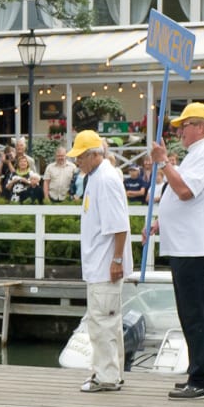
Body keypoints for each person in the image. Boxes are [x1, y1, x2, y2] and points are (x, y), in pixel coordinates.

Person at [148, 102, 204, 400]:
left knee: (195, 313)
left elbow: (185, 191)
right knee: (193, 311)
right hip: (189, 243)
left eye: (183, 126)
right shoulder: (201, 153)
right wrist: (162, 220)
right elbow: (186, 194)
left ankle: (203, 379)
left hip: (194, 245)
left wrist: (163, 163)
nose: (179, 132)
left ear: (199, 126)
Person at [72, 131, 131, 392]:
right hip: (100, 263)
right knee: (108, 322)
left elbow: (119, 225)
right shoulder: (97, 177)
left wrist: (117, 259)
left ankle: (106, 377)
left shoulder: (105, 179)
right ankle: (112, 373)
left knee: (102, 323)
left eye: (81, 157)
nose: (77, 162)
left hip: (105, 264)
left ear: (95, 155)